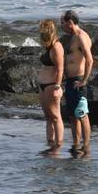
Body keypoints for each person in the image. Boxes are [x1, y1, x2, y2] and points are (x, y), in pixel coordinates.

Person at [60, 10, 94, 156]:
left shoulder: (81, 37)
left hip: (79, 81)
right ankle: (76, 145)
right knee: (73, 116)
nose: (61, 26)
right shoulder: (71, 37)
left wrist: (84, 81)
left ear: (70, 22)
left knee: (82, 115)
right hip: (69, 81)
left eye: (62, 23)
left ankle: (86, 147)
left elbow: (90, 60)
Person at [36, 19, 65, 151]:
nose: (41, 35)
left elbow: (60, 69)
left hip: (51, 85)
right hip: (43, 85)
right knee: (48, 117)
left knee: (55, 116)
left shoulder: (57, 47)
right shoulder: (48, 46)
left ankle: (58, 145)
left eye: (43, 32)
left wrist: (57, 87)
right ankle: (50, 143)